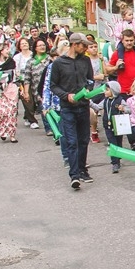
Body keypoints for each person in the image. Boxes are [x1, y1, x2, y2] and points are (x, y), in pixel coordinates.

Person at [48, 33, 96, 190]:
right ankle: (74, 175)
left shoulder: (85, 60)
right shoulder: (59, 63)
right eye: (83, 45)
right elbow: (53, 85)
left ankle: (83, 170)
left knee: (83, 140)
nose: (86, 48)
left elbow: (90, 80)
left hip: (83, 105)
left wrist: (88, 89)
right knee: (72, 141)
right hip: (67, 108)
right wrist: (66, 95)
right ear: (74, 44)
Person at [101, 81, 127, 173]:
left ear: (113, 91)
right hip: (107, 126)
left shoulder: (120, 100)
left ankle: (118, 159)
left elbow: (129, 110)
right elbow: (97, 107)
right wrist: (89, 103)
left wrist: (123, 108)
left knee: (118, 143)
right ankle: (114, 163)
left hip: (118, 125)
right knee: (112, 144)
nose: (105, 92)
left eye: (107, 90)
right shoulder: (105, 100)